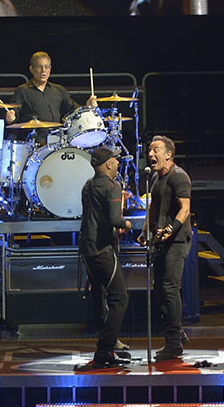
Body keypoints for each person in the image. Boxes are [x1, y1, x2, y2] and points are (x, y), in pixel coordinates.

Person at [137, 135, 192, 360]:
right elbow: (153, 208)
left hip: (176, 241)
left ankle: (173, 342)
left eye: (155, 150)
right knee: (160, 288)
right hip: (161, 240)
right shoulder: (156, 177)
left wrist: (171, 229)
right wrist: (145, 231)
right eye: (150, 150)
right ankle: (177, 332)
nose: (150, 154)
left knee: (169, 288)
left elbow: (185, 208)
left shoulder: (179, 176)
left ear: (168, 154)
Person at [79, 146, 132, 365]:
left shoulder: (88, 185)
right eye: (115, 160)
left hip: (87, 248)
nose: (118, 163)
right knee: (120, 297)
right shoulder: (112, 186)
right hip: (103, 249)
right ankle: (105, 348)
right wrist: (126, 224)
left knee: (99, 295)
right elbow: (114, 220)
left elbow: (96, 215)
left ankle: (109, 341)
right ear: (109, 164)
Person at [5, 51, 97, 143]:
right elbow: (15, 112)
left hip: (57, 140)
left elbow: (73, 109)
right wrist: (10, 117)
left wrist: (87, 107)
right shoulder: (22, 90)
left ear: (50, 68)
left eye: (46, 67)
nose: (43, 70)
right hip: (33, 140)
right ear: (31, 69)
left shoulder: (58, 90)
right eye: (39, 67)